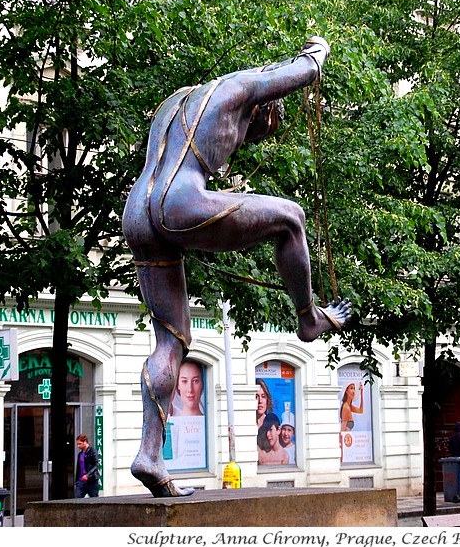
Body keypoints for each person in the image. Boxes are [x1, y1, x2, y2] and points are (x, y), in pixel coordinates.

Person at [123, 35, 352, 497]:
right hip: (179, 202)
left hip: (137, 212)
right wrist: (320, 47)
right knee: (291, 218)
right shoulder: (243, 87)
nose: (247, 139)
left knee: (172, 339)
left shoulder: (176, 103)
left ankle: (150, 454)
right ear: (263, 108)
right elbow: (305, 70)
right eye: (258, 131)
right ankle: (308, 318)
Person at [74, 434, 100, 498]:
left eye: (80, 444)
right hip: (81, 481)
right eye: (77, 444)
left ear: (85, 442)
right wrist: (77, 481)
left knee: (94, 500)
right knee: (77, 498)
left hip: (91, 481)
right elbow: (79, 468)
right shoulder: (80, 454)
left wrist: (88, 475)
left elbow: (96, 465)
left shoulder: (92, 451)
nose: (78, 446)